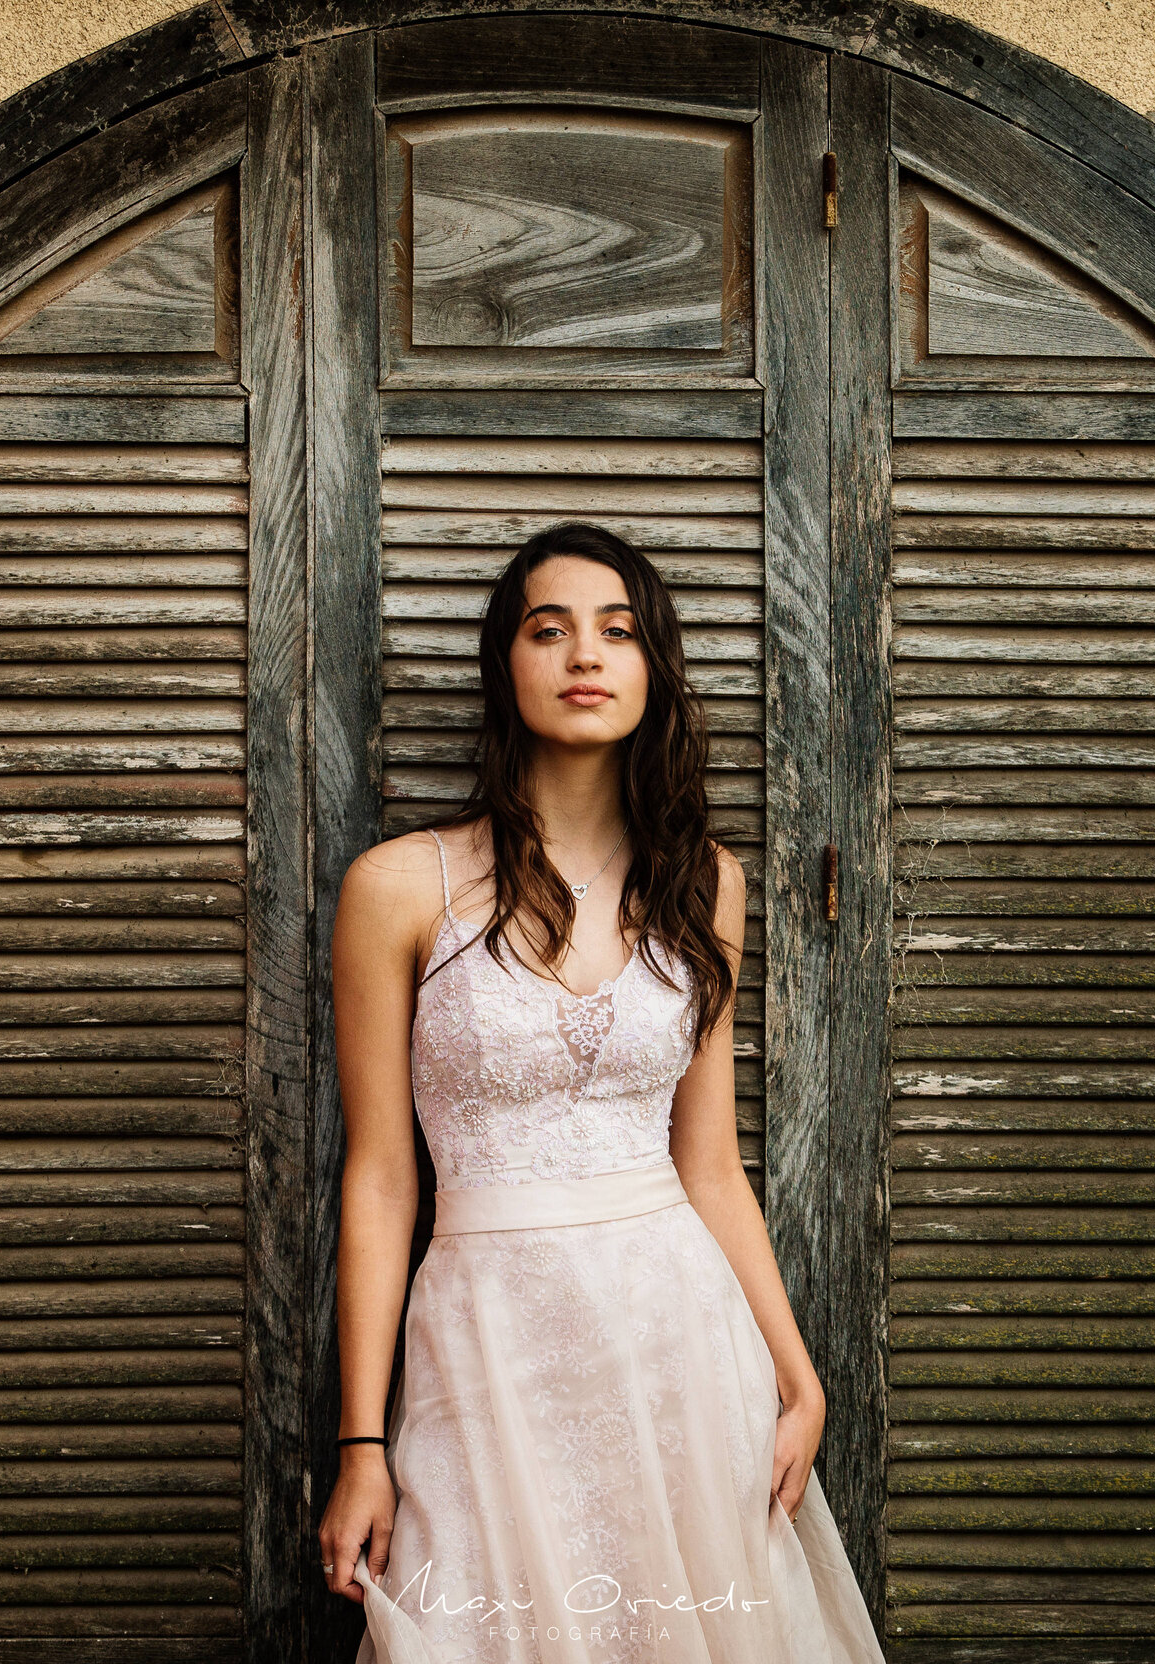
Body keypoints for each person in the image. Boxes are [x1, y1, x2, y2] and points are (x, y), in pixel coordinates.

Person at [315, 521, 885, 1662]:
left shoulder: (704, 885)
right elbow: (380, 1179)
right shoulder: (397, 887)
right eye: (549, 628)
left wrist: (798, 1375)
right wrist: (362, 1442)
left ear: (652, 669)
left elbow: (710, 1165)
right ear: (506, 665)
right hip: (485, 1338)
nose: (586, 653)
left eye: (618, 631)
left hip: (678, 1339)